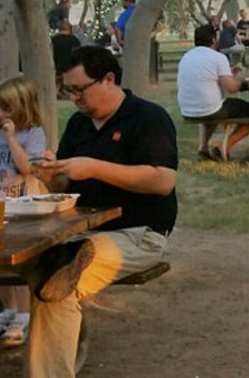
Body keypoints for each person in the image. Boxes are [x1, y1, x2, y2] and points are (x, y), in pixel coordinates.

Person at [28, 46, 177, 376]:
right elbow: (65, 188)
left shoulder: (149, 117)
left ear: (109, 79)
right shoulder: (78, 126)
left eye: (78, 89)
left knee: (60, 282)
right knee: (36, 268)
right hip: (81, 231)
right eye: (68, 90)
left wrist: (95, 167)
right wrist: (52, 176)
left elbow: (163, 180)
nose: (73, 98)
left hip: (139, 234)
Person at [0, 78, 50, 347]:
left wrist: (10, 137)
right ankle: (9, 309)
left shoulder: (32, 134)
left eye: (5, 109)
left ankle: (24, 314)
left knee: (16, 265)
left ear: (22, 107)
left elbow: (27, 168)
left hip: (20, 209)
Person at [177, 23, 249, 162]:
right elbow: (232, 88)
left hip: (187, 109)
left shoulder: (186, 57)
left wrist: (228, 71)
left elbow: (206, 76)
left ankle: (203, 149)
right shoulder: (217, 57)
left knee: (210, 107)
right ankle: (223, 147)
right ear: (213, 39)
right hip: (210, 109)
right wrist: (240, 79)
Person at [51, 21, 81, 94]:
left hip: (56, 65)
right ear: (69, 29)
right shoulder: (74, 40)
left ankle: (58, 91)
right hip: (70, 66)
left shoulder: (53, 39)